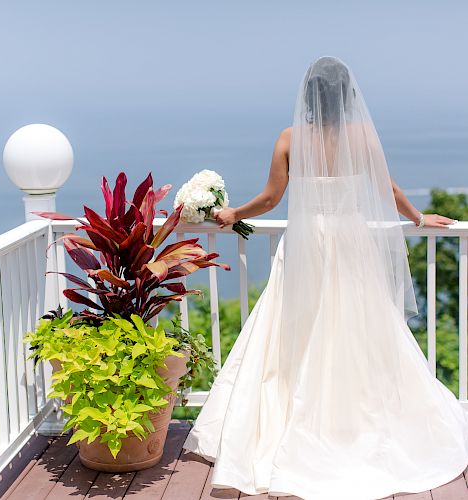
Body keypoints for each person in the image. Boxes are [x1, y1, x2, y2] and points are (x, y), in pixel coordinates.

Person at [182, 56, 468, 500]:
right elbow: (388, 190)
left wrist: (234, 212)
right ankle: (352, 422)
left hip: (308, 243)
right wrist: (416, 216)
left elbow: (272, 198)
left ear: (308, 97)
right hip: (351, 244)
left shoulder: (290, 139)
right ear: (347, 95)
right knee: (358, 330)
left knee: (291, 330)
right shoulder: (363, 137)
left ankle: (294, 423)